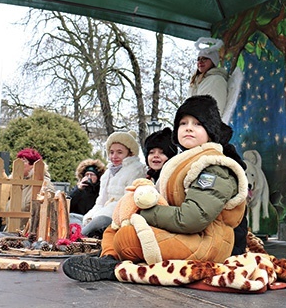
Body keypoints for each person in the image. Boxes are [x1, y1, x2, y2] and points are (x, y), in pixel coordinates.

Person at [62, 95, 248, 282]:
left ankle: (115, 268)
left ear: (211, 130)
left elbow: (192, 218)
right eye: (183, 123)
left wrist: (142, 213)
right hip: (186, 233)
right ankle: (108, 261)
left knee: (128, 237)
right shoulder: (185, 162)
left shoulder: (214, 167)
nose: (189, 127)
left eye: (198, 124)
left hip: (208, 242)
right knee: (113, 228)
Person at [81, 131, 145, 239]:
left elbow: (128, 202)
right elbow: (101, 200)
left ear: (130, 153)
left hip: (120, 215)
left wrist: (100, 215)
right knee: (76, 218)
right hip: (104, 212)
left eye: (119, 152)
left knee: (97, 223)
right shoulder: (107, 173)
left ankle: (77, 239)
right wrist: (91, 216)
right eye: (111, 152)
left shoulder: (136, 170)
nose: (114, 156)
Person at [189, 37, 229, 115]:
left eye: (205, 59)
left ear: (213, 61)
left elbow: (217, 110)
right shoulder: (196, 81)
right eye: (198, 59)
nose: (200, 62)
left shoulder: (217, 80)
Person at [68, 159, 106, 225]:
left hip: (93, 219)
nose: (89, 177)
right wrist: (78, 190)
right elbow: (68, 205)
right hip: (78, 219)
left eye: (92, 175)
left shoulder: (101, 190)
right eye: (87, 175)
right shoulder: (79, 189)